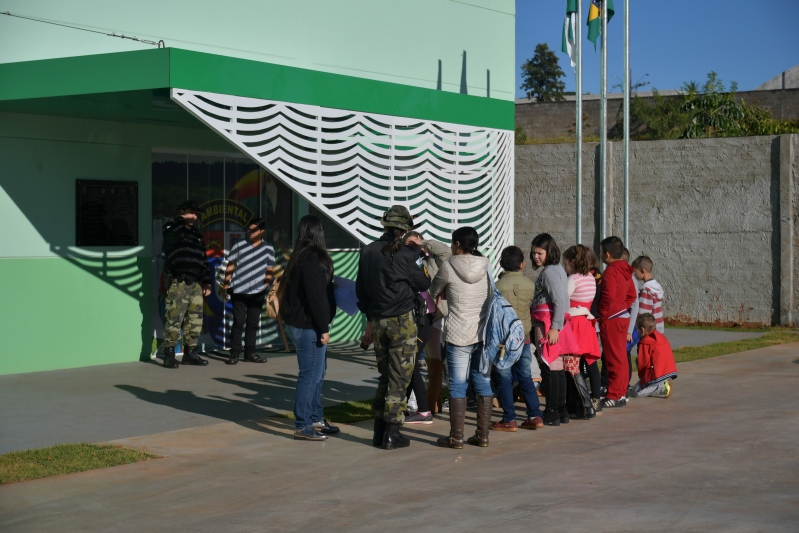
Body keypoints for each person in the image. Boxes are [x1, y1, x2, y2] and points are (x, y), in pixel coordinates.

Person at [356, 206, 430, 449]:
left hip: (377, 321)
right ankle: (392, 432)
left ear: (384, 225)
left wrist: (371, 315)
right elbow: (423, 282)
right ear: (406, 228)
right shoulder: (408, 254)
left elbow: (361, 290)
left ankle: (379, 429)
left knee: (385, 376)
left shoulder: (368, 251)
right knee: (400, 377)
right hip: (402, 321)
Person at [430, 226, 493, 449]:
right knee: (482, 382)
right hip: (483, 334)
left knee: (458, 385)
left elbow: (433, 290)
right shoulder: (486, 267)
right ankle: (483, 436)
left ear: (457, 244)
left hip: (458, 333)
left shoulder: (448, 266)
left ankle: (456, 438)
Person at [282, 215, 338, 441]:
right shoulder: (312, 259)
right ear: (318, 233)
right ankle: (303, 424)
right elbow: (314, 298)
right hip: (307, 326)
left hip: (302, 324)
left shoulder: (299, 257)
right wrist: (323, 328)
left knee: (317, 373)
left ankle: (315, 417)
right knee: (310, 375)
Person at [491, 246, 545, 432]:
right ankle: (535, 415)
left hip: (502, 342)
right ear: (522, 264)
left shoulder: (495, 288)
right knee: (526, 376)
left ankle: (509, 419)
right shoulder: (531, 285)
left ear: (501, 264)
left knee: (504, 379)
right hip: (525, 337)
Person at [401, 231, 451, 424]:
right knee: (416, 360)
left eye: (415, 245)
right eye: (408, 244)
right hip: (412, 315)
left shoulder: (432, 261)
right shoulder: (402, 261)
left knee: (433, 360)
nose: (412, 248)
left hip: (433, 315)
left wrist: (424, 244)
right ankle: (424, 405)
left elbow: (446, 252)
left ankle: (428, 405)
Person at [529, 233, 579, 426]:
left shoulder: (549, 272)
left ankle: (552, 410)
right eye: (533, 253)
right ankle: (561, 410)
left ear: (549, 251)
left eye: (539, 253)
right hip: (555, 323)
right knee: (557, 367)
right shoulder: (557, 269)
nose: (535, 257)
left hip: (548, 324)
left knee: (549, 366)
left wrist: (555, 327)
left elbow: (559, 299)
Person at [160, 200, 212, 369]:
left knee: (195, 320)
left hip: (196, 282)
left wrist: (207, 282)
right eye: (191, 212)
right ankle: (169, 354)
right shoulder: (171, 228)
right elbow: (169, 236)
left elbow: (203, 259)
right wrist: (180, 220)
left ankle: (190, 353)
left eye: (195, 214)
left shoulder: (197, 234)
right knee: (174, 318)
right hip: (179, 281)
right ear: (181, 213)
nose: (194, 216)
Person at [221, 217, 275, 365]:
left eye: (253, 230)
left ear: (262, 232)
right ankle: (234, 353)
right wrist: (226, 285)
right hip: (239, 290)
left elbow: (269, 267)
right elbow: (230, 265)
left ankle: (250, 353)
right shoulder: (240, 245)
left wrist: (266, 283)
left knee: (253, 323)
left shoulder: (268, 248)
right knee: (238, 322)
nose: (249, 232)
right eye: (248, 229)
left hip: (258, 291)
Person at [561, 245, 601, 420]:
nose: (564, 267)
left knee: (571, 365)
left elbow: (563, 301)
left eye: (565, 264)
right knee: (588, 364)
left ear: (572, 262)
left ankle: (584, 405)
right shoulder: (590, 278)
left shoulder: (573, 279)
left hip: (574, 324)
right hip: (586, 323)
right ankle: (588, 402)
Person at [597, 236, 637, 408]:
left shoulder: (611, 272)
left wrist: (602, 312)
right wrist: (622, 307)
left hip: (611, 319)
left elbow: (608, 295)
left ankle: (614, 395)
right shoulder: (626, 271)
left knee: (613, 358)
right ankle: (620, 393)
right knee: (620, 357)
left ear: (606, 254)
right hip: (622, 318)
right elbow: (632, 296)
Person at [629, 313, 677, 398]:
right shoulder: (661, 337)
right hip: (669, 371)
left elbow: (643, 363)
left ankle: (661, 388)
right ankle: (663, 382)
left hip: (658, 374)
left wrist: (644, 380)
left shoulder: (645, 343)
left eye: (638, 330)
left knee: (635, 392)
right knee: (637, 360)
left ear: (642, 330)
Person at [628, 256, 665, 336]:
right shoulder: (656, 286)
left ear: (642, 271)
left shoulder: (646, 290)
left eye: (635, 272)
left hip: (648, 331)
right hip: (658, 327)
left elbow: (643, 314)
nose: (634, 275)